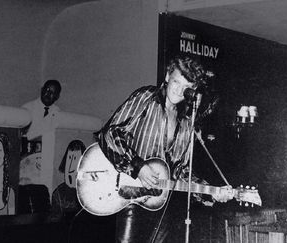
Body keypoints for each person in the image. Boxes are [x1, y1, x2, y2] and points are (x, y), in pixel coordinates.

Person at [96, 56, 233, 242]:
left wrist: (212, 191)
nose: (179, 90)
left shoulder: (186, 123)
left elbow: (182, 172)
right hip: (129, 195)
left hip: (161, 203)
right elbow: (110, 133)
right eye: (177, 82)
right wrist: (139, 166)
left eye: (187, 88)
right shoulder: (146, 97)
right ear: (168, 76)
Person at [51, 140, 85, 221]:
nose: (71, 167)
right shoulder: (58, 193)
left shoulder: (88, 191)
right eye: (70, 158)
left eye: (76, 158)